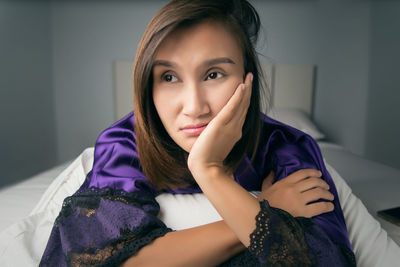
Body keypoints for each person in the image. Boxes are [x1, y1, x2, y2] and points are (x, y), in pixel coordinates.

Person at [40, 0, 356, 266]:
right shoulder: (126, 142)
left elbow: (322, 259)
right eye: (169, 77)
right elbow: (99, 257)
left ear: (247, 80)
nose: (193, 107)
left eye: (213, 74)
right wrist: (265, 213)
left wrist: (210, 173)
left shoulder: (285, 147)